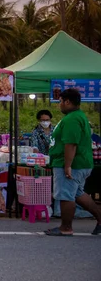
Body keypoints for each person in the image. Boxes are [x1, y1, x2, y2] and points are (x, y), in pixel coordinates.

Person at [45, 88, 101, 236]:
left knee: (65, 195)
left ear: (67, 101)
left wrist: (67, 165)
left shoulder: (72, 119)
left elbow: (71, 143)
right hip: (80, 162)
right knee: (77, 193)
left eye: (61, 101)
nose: (60, 105)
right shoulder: (78, 116)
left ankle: (66, 227)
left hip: (71, 164)